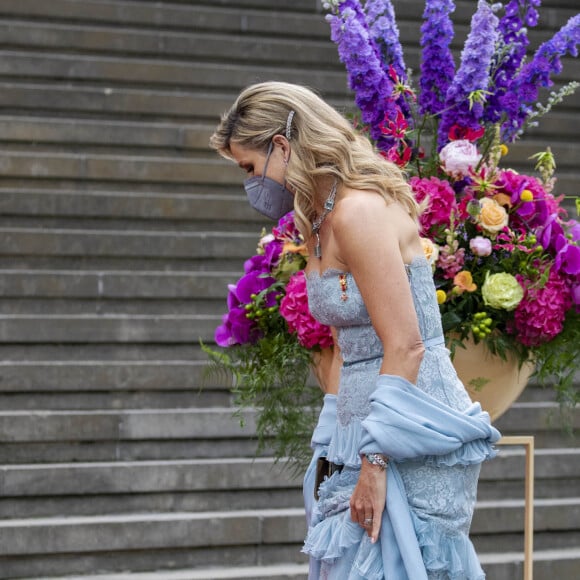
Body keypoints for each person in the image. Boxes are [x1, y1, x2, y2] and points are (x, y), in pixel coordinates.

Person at [210, 81, 501, 580]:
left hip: (407, 429)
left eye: (250, 169)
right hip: (361, 427)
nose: (252, 185)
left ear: (281, 147)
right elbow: (349, 345)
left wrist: (374, 462)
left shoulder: (358, 212)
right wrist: (334, 437)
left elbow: (406, 345)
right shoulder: (318, 218)